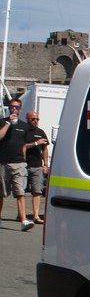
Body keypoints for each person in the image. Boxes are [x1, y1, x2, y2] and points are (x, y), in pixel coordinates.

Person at [0, 97, 34, 230]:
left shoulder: (24, 126)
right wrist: (8, 123)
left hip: (19, 163)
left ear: (20, 109)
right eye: (12, 107)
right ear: (9, 108)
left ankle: (23, 220)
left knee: (20, 192)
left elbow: (25, 144)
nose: (14, 109)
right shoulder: (2, 122)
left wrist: (24, 160)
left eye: (16, 107)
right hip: (3, 163)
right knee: (1, 193)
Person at [22, 110, 49, 223]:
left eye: (37, 119)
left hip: (37, 165)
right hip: (24, 165)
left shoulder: (41, 132)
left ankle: (36, 215)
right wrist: (35, 143)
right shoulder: (23, 131)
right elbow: (22, 146)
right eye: (33, 119)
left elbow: (45, 149)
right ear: (27, 119)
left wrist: (45, 164)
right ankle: (21, 214)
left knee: (37, 191)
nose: (35, 121)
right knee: (21, 191)